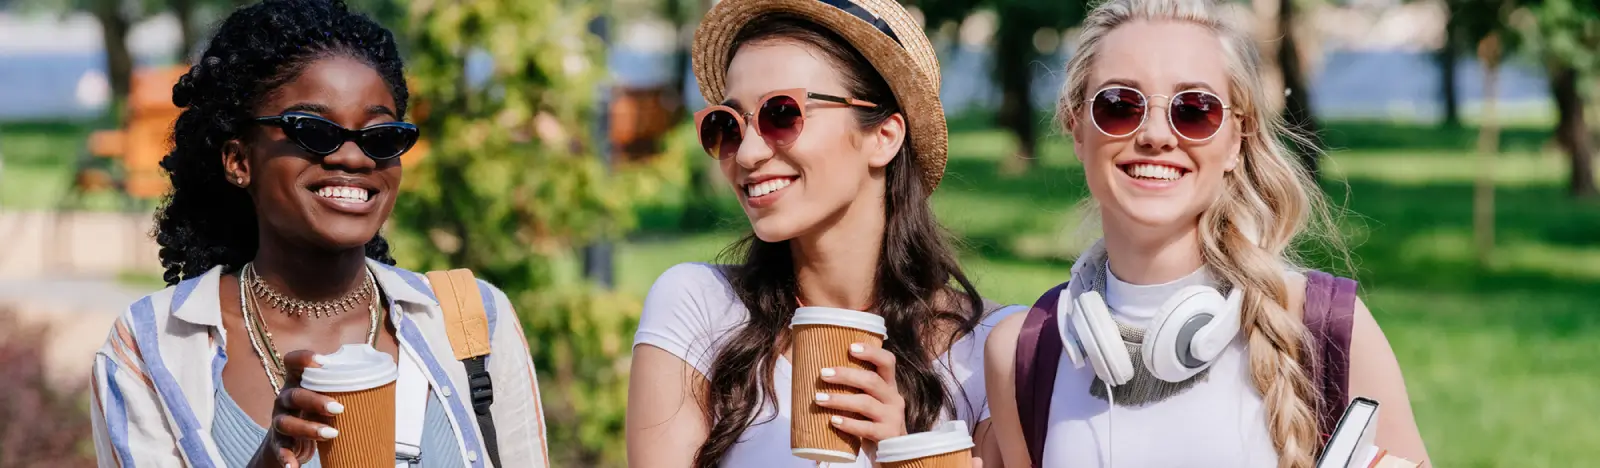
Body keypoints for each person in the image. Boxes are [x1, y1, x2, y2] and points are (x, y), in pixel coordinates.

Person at [84, 1, 550, 467]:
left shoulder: (474, 324)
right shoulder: (150, 346)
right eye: (312, 130)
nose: (354, 157)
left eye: (381, 136)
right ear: (238, 160)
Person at [982, 0, 1432, 467]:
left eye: (1194, 110)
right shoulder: (1023, 352)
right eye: (1119, 105)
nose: (1156, 134)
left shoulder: (1327, 328)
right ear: (1076, 127)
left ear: (1238, 139)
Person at [625, 0, 1021, 466]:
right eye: (726, 125)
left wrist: (905, 448)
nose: (748, 153)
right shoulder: (699, 309)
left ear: (884, 137)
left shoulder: (992, 353)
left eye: (781, 114)